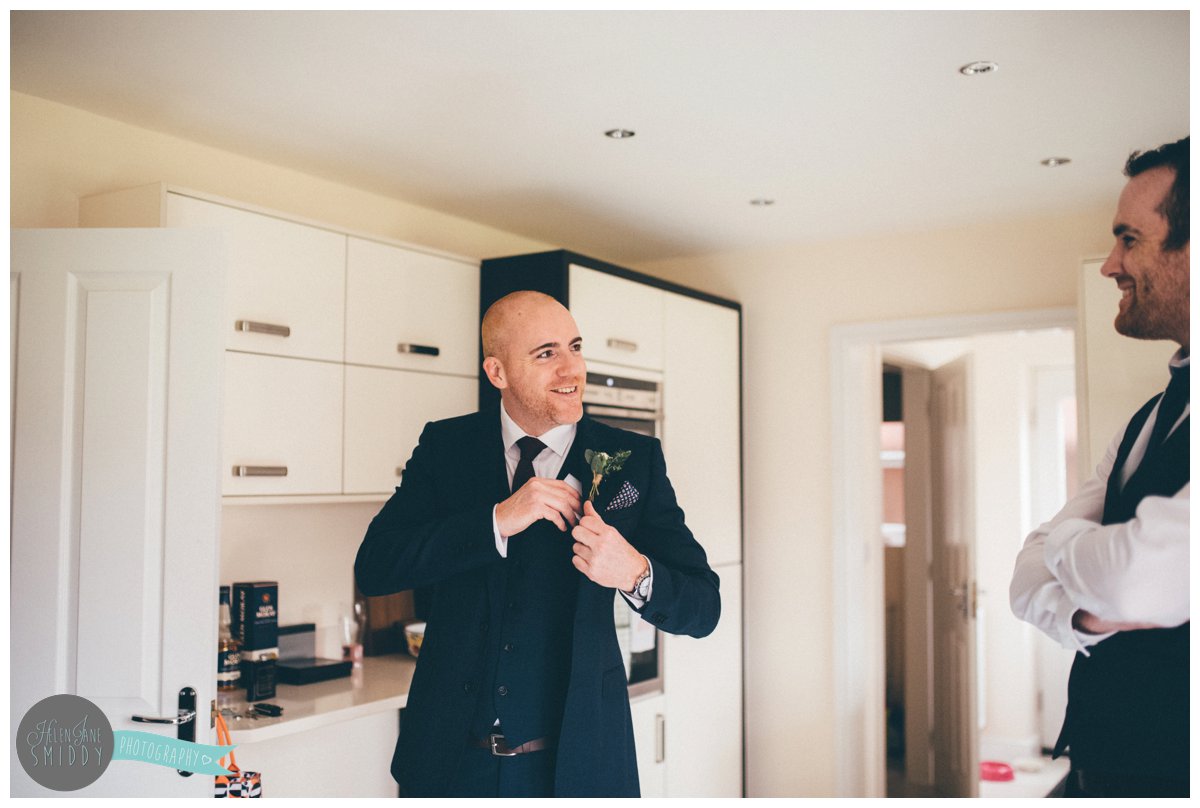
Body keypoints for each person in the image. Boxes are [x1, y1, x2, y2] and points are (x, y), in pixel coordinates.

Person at [355, 290, 720, 797]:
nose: (572, 369)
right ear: (497, 372)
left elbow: (704, 609)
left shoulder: (632, 460)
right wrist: (496, 521)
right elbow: (375, 566)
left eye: (575, 347)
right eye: (547, 354)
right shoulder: (446, 448)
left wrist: (634, 572)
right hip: (450, 768)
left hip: (577, 771)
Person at [1010, 136, 1190, 798]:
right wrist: (1085, 617)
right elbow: (1024, 581)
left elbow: (1139, 581)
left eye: (1130, 239)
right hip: (1093, 765)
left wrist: (1066, 545)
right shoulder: (1146, 418)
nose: (1109, 265)